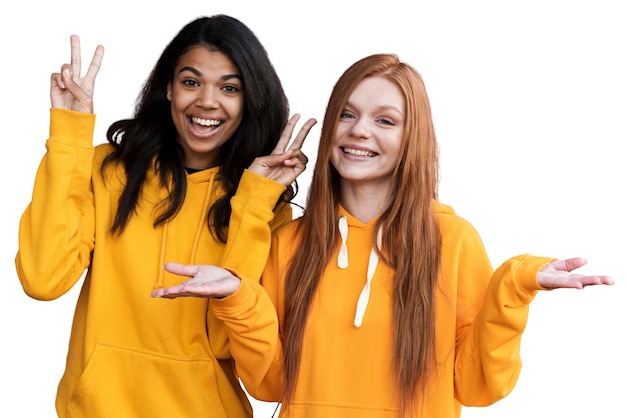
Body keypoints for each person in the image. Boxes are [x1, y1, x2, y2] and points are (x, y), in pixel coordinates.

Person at [151, 53, 614, 417]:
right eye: (347, 114)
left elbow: (478, 387)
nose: (359, 131)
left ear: (412, 136)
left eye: (385, 120)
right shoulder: (290, 243)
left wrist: (515, 285)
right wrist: (236, 297)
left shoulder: (452, 241)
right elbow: (269, 384)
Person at [15, 14, 316, 418]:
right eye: (191, 82)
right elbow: (42, 278)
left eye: (229, 88)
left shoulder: (263, 209)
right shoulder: (109, 171)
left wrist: (254, 203)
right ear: (168, 90)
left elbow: (233, 347)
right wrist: (70, 134)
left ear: (249, 101)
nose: (207, 101)